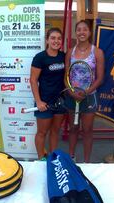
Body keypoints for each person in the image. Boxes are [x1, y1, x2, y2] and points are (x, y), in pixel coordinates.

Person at [65, 20, 105, 163]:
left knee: (87, 130)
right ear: (76, 32)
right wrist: (71, 92)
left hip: (89, 97)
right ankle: (71, 158)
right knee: (73, 128)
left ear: (89, 33)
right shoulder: (70, 52)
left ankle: (87, 163)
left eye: (85, 30)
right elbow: (66, 76)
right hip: (72, 96)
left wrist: (86, 92)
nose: (81, 32)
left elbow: (100, 78)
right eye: (79, 29)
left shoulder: (97, 52)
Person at [30, 28, 66, 160]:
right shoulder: (40, 58)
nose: (56, 41)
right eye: (53, 38)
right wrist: (38, 101)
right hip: (44, 102)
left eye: (58, 38)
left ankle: (53, 158)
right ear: (47, 40)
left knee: (55, 132)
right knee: (42, 132)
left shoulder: (63, 56)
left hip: (60, 101)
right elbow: (33, 80)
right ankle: (41, 158)